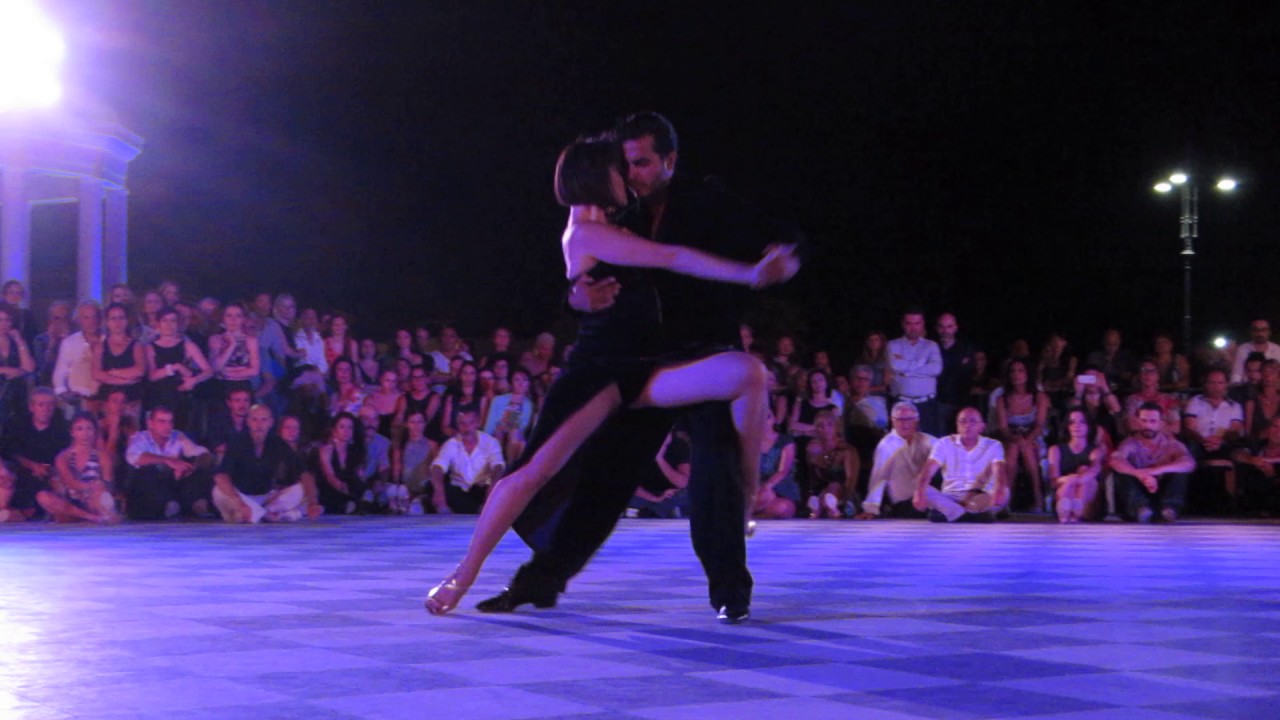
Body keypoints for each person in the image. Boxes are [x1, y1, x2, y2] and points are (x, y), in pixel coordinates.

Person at [423, 132, 796, 616]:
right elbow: (673, 258)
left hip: (642, 370)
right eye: (622, 169)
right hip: (597, 376)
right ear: (598, 176)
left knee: (747, 373)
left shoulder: (619, 224)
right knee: (531, 474)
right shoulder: (587, 233)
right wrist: (749, 274)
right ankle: (462, 575)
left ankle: (747, 498)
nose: (629, 178)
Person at [211, 403, 318, 523]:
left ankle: (260, 513)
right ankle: (265, 515)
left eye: (263, 420)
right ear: (248, 422)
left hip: (267, 499)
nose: (259, 425)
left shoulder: (277, 443)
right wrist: (239, 502)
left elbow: (304, 473)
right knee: (218, 491)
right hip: (241, 497)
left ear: (271, 422)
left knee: (302, 488)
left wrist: (313, 502)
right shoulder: (237, 442)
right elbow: (221, 476)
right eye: (254, 419)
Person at [912, 407, 1009, 523]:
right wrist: (919, 492)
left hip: (979, 497)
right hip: (950, 497)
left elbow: (1000, 474)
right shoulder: (944, 443)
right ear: (957, 425)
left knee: (1005, 492)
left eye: (973, 421)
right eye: (963, 421)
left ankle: (952, 513)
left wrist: (999, 490)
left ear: (982, 426)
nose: (967, 425)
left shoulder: (993, 445)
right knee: (923, 489)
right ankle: (970, 514)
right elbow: (927, 472)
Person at [1110, 402, 1195, 523]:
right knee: (1123, 470)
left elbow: (1189, 463)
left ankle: (1170, 509)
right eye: (1144, 421)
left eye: (1153, 421)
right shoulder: (1130, 443)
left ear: (1161, 423)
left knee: (1179, 469)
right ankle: (1140, 508)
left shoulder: (1171, 443)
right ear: (1138, 422)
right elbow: (1115, 460)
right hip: (1140, 491)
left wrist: (1154, 471)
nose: (1147, 425)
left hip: (1163, 490)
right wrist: (1140, 474)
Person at [124, 406, 213, 520]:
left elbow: (201, 453)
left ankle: (193, 506)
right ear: (150, 424)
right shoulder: (140, 438)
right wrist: (168, 460)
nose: (167, 426)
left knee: (200, 472)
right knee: (149, 471)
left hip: (172, 484)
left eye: (170, 422)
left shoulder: (177, 436)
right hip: (146, 490)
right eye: (162, 422)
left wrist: (190, 468)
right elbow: (133, 457)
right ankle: (166, 507)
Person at [0, 388, 70, 521]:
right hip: (20, 474)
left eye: (50, 405)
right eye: (41, 405)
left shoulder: (62, 429)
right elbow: (9, 452)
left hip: (50, 475)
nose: (46, 409)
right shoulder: (17, 425)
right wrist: (30, 465)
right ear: (32, 407)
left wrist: (49, 469)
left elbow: (65, 455)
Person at [36, 412, 118, 523]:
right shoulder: (63, 457)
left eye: (89, 429)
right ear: (72, 432)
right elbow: (69, 482)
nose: (85, 433)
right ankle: (89, 517)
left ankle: (86, 516)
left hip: (92, 500)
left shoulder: (102, 456)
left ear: (95, 432)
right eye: (79, 429)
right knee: (43, 497)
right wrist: (89, 487)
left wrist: (99, 489)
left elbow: (108, 483)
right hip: (70, 501)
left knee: (104, 499)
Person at [859, 401, 936, 519]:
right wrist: (871, 508)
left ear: (916, 420)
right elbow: (878, 477)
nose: (904, 424)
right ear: (892, 421)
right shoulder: (886, 445)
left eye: (908, 419)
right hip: (904, 504)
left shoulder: (926, 440)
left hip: (927, 497)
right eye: (899, 419)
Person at [994, 357, 1049, 512]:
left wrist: (1027, 439)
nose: (1016, 375)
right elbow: (1003, 429)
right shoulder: (1002, 399)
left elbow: (1039, 425)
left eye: (1020, 371)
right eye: (1012, 371)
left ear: (1027, 374)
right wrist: (1016, 438)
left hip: (1034, 437)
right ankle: (1007, 499)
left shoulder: (1039, 397)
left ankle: (1038, 496)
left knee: (1026, 448)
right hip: (1011, 438)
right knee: (1013, 449)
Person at [426, 408, 504, 514]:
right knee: (431, 485)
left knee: (498, 490)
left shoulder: (490, 442)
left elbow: (498, 466)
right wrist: (439, 490)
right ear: (457, 425)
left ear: (477, 423)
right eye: (462, 423)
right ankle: (477, 511)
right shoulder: (451, 444)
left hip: (482, 491)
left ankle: (469, 510)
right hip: (459, 491)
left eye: (471, 423)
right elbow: (438, 466)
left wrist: (493, 486)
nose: (467, 427)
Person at [888, 309, 943, 436]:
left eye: (917, 323)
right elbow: (895, 365)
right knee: (901, 444)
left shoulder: (931, 346)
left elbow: (936, 369)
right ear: (902, 324)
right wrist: (922, 362)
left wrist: (906, 372)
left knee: (930, 443)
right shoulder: (893, 345)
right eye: (909, 323)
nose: (913, 328)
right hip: (901, 404)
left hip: (927, 405)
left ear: (923, 324)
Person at [1048, 407, 1104, 523]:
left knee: (1085, 472)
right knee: (1071, 483)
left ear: (1088, 426)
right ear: (1067, 426)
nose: (1077, 426)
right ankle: (1067, 510)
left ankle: (1077, 509)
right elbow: (1054, 481)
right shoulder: (1056, 450)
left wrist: (1074, 479)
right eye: (1072, 422)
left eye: (1082, 422)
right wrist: (1070, 481)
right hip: (1064, 494)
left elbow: (1095, 470)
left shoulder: (1095, 451)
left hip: (1089, 502)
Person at [804, 409, 859, 518]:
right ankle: (823, 506)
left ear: (836, 427)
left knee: (833, 488)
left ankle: (834, 508)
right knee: (820, 500)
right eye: (821, 426)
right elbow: (812, 478)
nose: (825, 429)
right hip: (822, 491)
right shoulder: (812, 448)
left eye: (829, 425)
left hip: (845, 494)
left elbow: (851, 480)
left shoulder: (847, 450)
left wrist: (843, 500)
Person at [92, 302, 146, 409]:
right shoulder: (100, 346)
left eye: (121, 318)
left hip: (132, 398)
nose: (118, 322)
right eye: (113, 318)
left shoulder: (136, 345)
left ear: (127, 321)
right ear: (107, 322)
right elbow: (97, 374)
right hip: (106, 398)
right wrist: (124, 380)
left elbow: (139, 370)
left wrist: (113, 372)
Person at [53, 301, 104, 413]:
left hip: (105, 399)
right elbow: (60, 373)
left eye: (94, 317)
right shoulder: (69, 343)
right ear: (79, 320)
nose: (92, 322)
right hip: (77, 400)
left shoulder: (108, 340)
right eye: (86, 318)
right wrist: (64, 393)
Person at [314, 411, 366, 515]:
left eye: (350, 427)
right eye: (342, 427)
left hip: (348, 489)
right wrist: (343, 488)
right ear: (334, 430)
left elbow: (359, 475)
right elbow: (329, 476)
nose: (346, 431)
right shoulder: (326, 449)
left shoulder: (355, 451)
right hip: (328, 489)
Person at [752, 407, 798, 520]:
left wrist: (767, 486)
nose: (763, 421)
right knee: (763, 497)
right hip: (757, 489)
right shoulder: (751, 442)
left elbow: (783, 471)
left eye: (767, 417)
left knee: (783, 508)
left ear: (774, 419)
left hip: (780, 488)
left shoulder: (785, 441)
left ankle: (754, 516)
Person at [207, 302, 261, 396]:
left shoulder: (251, 340)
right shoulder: (215, 338)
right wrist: (231, 345)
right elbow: (215, 367)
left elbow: (255, 370)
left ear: (243, 319)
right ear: (223, 318)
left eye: (238, 316)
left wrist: (229, 374)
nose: (233, 320)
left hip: (242, 386)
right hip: (222, 387)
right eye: (229, 316)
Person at [934, 312, 976, 430]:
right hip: (938, 403)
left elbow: (968, 374)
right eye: (942, 327)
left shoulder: (965, 349)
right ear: (937, 328)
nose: (945, 330)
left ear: (955, 328)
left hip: (960, 403)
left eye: (949, 327)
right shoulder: (931, 349)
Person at [0, 303, 35, 426]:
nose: (4, 324)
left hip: (16, 394)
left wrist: (20, 341)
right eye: (0, 320)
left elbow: (29, 368)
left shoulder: (15, 341)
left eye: (7, 320)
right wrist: (5, 370)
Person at [1230, 318, 1280, 384]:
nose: (1260, 333)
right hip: (1247, 388)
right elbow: (1237, 374)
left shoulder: (1277, 350)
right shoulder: (1243, 349)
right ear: (1251, 332)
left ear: (1269, 332)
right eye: (1256, 330)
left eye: (1263, 330)